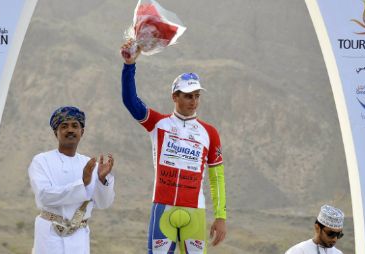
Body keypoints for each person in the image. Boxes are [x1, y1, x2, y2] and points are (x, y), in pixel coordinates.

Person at [120, 42, 227, 254]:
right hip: (163, 209)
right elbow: (131, 101)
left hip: (195, 211)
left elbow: (217, 178)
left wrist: (220, 217)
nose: (193, 101)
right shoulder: (159, 124)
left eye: (197, 96)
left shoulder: (209, 133)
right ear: (174, 97)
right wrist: (129, 65)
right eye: (188, 96)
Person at [28, 106, 115, 254]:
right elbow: (44, 196)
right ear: (56, 132)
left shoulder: (90, 164)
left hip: (79, 239)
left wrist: (101, 180)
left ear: (82, 132)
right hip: (49, 236)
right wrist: (83, 184)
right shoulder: (41, 160)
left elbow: (103, 203)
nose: (70, 130)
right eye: (64, 126)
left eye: (75, 126)